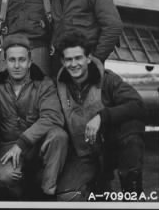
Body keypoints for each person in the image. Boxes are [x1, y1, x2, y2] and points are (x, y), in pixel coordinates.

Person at [55, 30, 145, 201]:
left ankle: (133, 196)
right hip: (83, 153)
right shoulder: (58, 86)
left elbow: (137, 104)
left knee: (132, 127)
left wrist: (102, 117)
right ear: (62, 61)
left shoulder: (108, 80)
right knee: (67, 197)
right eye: (68, 59)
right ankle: (99, 185)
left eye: (78, 58)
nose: (74, 64)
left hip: (110, 148)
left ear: (88, 58)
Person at [0, 34, 68, 200]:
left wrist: (23, 143)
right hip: (8, 146)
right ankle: (22, 188)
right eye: (12, 60)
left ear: (30, 61)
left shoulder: (44, 84)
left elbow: (53, 117)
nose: (17, 65)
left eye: (22, 60)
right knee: (5, 177)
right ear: (5, 62)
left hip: (37, 145)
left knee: (59, 136)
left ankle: (48, 192)